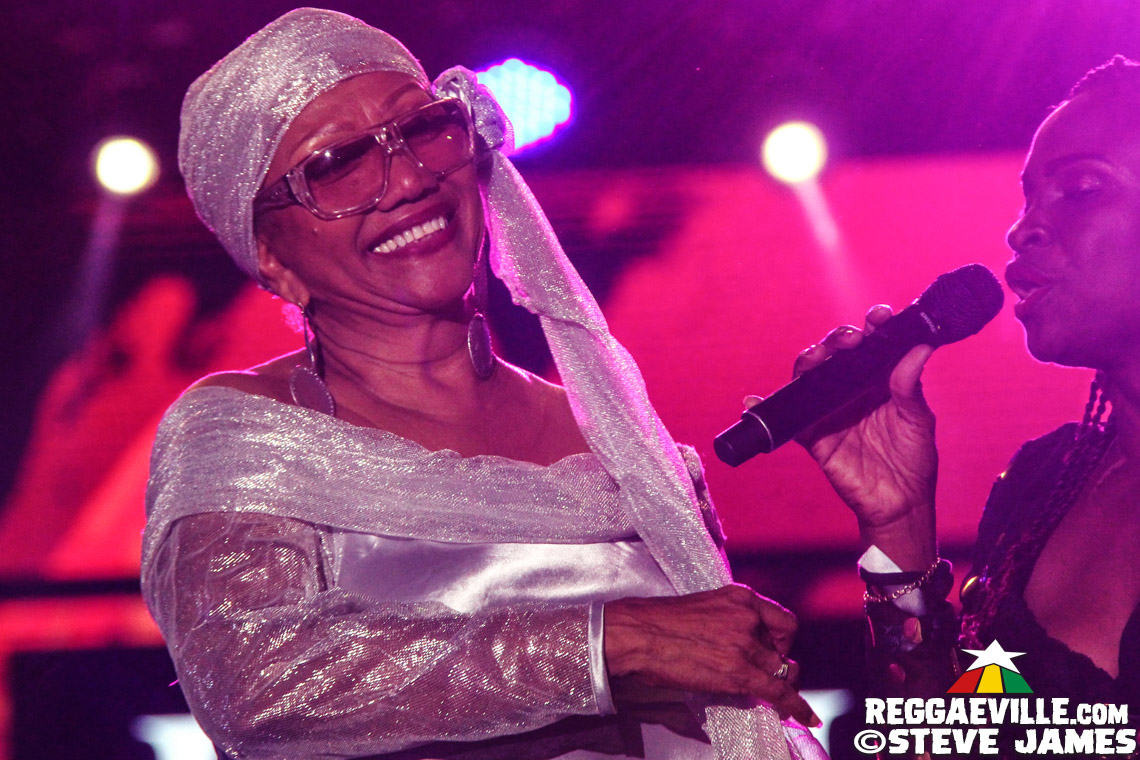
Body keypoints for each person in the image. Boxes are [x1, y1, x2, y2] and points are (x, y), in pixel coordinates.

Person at [141, 8, 826, 760]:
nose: (408, 180)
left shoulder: (620, 440)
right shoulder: (249, 437)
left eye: (423, 129)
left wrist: (893, 538)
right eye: (335, 166)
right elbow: (254, 681)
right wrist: (610, 646)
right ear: (271, 257)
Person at [789, 55, 1140, 740]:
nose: (1021, 229)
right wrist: (898, 529)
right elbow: (941, 745)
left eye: (1081, 189)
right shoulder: (1044, 487)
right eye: (1028, 198)